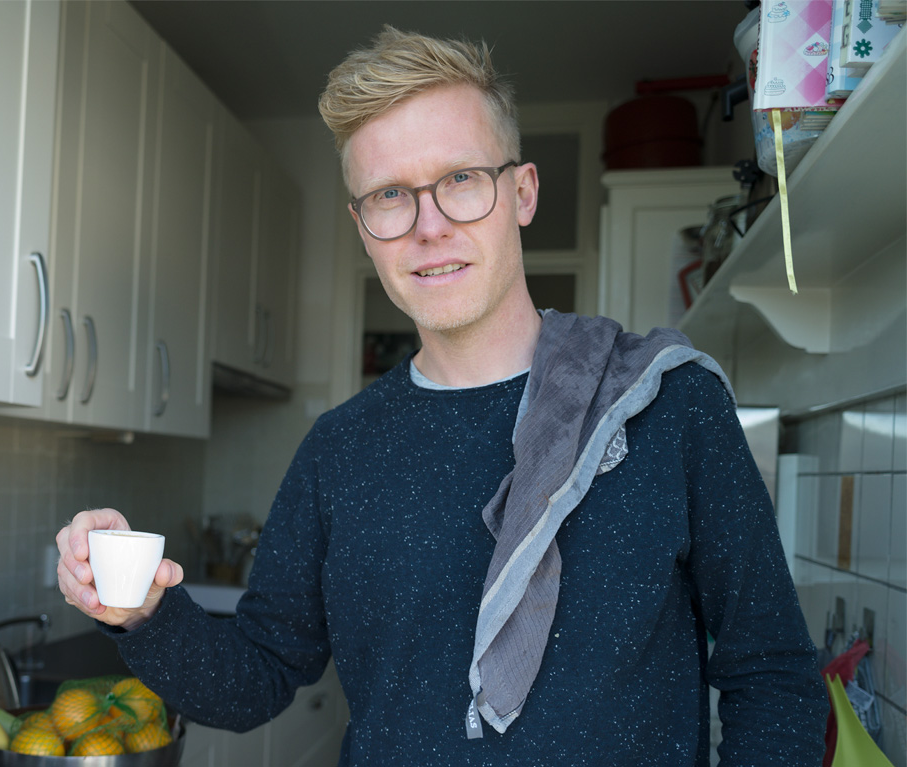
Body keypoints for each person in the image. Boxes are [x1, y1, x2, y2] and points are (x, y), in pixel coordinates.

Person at [57, 26, 828, 766]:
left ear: (521, 192)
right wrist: (140, 612)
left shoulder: (669, 406)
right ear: (364, 228)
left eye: (461, 179)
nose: (429, 225)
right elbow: (256, 674)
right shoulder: (339, 450)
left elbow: (773, 672)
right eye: (391, 195)